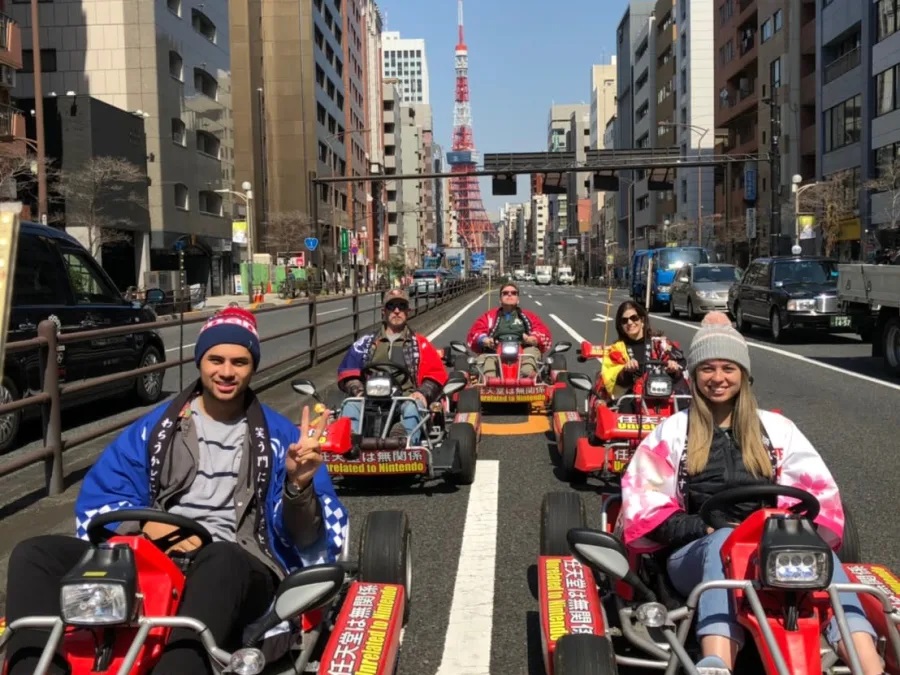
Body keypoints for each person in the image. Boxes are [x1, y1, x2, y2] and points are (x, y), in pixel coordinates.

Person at [2, 307, 348, 675]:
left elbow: (308, 537)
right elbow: (104, 495)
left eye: (239, 362)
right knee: (32, 553)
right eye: (216, 359)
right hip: (154, 555)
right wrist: (145, 529)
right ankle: (35, 666)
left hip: (241, 562)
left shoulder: (283, 439)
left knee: (221, 559)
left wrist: (299, 483)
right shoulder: (154, 430)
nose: (226, 372)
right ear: (200, 361)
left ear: (252, 366)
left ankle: (181, 665)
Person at [619, 313, 883, 675]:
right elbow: (645, 503)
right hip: (695, 550)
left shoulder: (777, 429)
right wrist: (701, 528)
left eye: (728, 368)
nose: (718, 378)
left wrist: (789, 526)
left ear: (743, 374)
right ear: (694, 375)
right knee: (724, 540)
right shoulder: (673, 431)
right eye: (707, 369)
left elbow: (816, 491)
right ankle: (717, 660)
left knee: (816, 550)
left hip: (769, 552)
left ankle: (866, 661)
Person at [337, 289, 447, 444]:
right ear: (384, 311)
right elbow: (348, 372)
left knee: (412, 407)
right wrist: (358, 391)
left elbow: (436, 375)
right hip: (369, 397)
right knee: (350, 405)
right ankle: (350, 442)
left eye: (401, 306)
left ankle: (402, 441)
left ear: (408, 311)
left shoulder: (420, 344)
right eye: (391, 306)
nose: (396, 311)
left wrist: (422, 393)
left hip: (405, 397)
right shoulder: (365, 343)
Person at [600, 300, 687, 412]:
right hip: (632, 398)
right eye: (624, 321)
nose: (630, 323)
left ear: (642, 320)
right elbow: (611, 377)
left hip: (663, 395)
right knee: (624, 409)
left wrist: (673, 368)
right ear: (620, 326)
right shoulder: (615, 350)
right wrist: (626, 371)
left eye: (634, 318)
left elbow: (681, 365)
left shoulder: (660, 344)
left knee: (684, 409)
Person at [465, 282, 552, 378]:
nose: (509, 294)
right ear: (500, 299)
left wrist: (533, 338)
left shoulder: (529, 316)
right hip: (494, 349)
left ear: (518, 299)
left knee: (529, 363)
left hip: (524, 347)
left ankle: (531, 380)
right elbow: (476, 331)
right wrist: (484, 339)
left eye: (513, 293)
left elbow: (542, 330)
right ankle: (489, 384)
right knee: (488, 373)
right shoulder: (489, 316)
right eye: (505, 293)